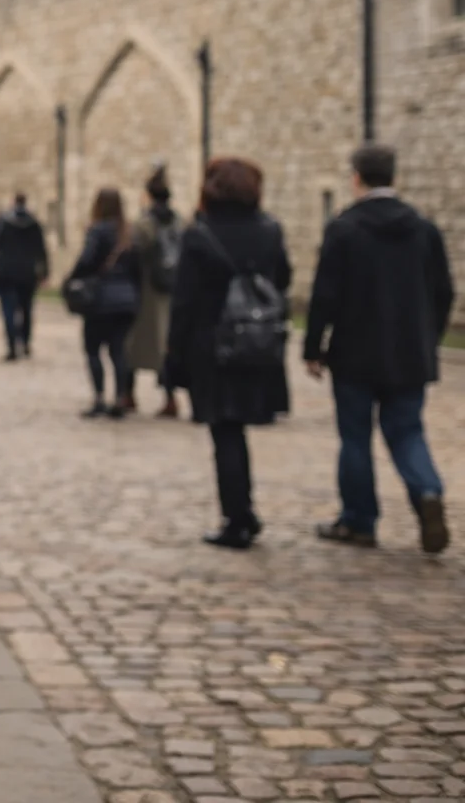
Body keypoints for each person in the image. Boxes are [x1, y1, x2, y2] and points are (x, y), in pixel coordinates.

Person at [304, 144, 454, 553]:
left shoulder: (345, 228)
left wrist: (313, 346)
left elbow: (325, 294)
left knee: (355, 436)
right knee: (407, 431)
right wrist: (429, 337)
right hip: (409, 352)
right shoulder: (423, 229)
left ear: (357, 178)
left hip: (355, 352)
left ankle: (359, 520)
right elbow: (444, 291)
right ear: (393, 177)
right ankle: (426, 491)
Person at [166, 157, 291, 550]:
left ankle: (237, 518)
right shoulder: (270, 230)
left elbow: (183, 301)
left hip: (213, 346)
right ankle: (243, 511)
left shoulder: (200, 234)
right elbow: (283, 278)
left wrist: (174, 355)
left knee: (226, 432)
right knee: (235, 432)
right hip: (257, 341)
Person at [66, 188, 142, 418]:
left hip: (100, 299)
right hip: (126, 300)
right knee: (118, 351)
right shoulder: (129, 233)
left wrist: (72, 278)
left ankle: (99, 397)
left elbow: (86, 260)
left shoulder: (97, 230)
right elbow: (138, 269)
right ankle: (120, 397)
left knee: (93, 349)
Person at [125, 166, 186, 416]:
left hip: (146, 292)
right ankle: (170, 398)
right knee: (164, 347)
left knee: (133, 347)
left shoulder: (143, 224)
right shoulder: (180, 223)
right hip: (171, 291)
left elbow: (134, 254)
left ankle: (127, 394)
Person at [0, 193, 49, 360]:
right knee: (26, 309)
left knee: (8, 310)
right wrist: (44, 272)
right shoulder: (34, 223)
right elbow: (41, 249)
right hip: (27, 272)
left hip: (6, 271)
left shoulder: (4, 222)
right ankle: (26, 341)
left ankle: (12, 344)